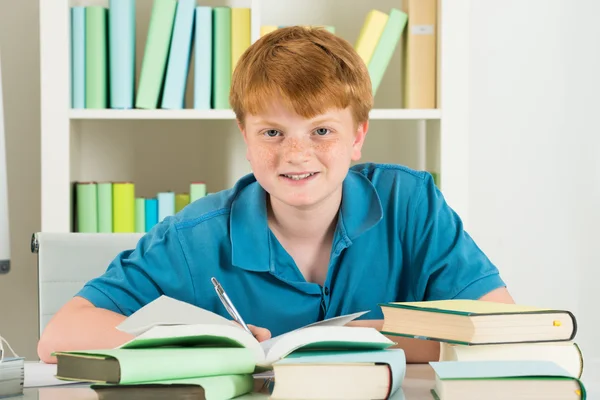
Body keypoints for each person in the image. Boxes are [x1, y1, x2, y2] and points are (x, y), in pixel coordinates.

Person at [37, 26, 513, 364]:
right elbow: (59, 335)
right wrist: (200, 345)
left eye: (321, 130)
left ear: (357, 138)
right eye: (272, 133)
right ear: (245, 138)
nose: (296, 153)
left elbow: (498, 328)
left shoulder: (410, 203)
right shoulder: (193, 237)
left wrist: (349, 338)